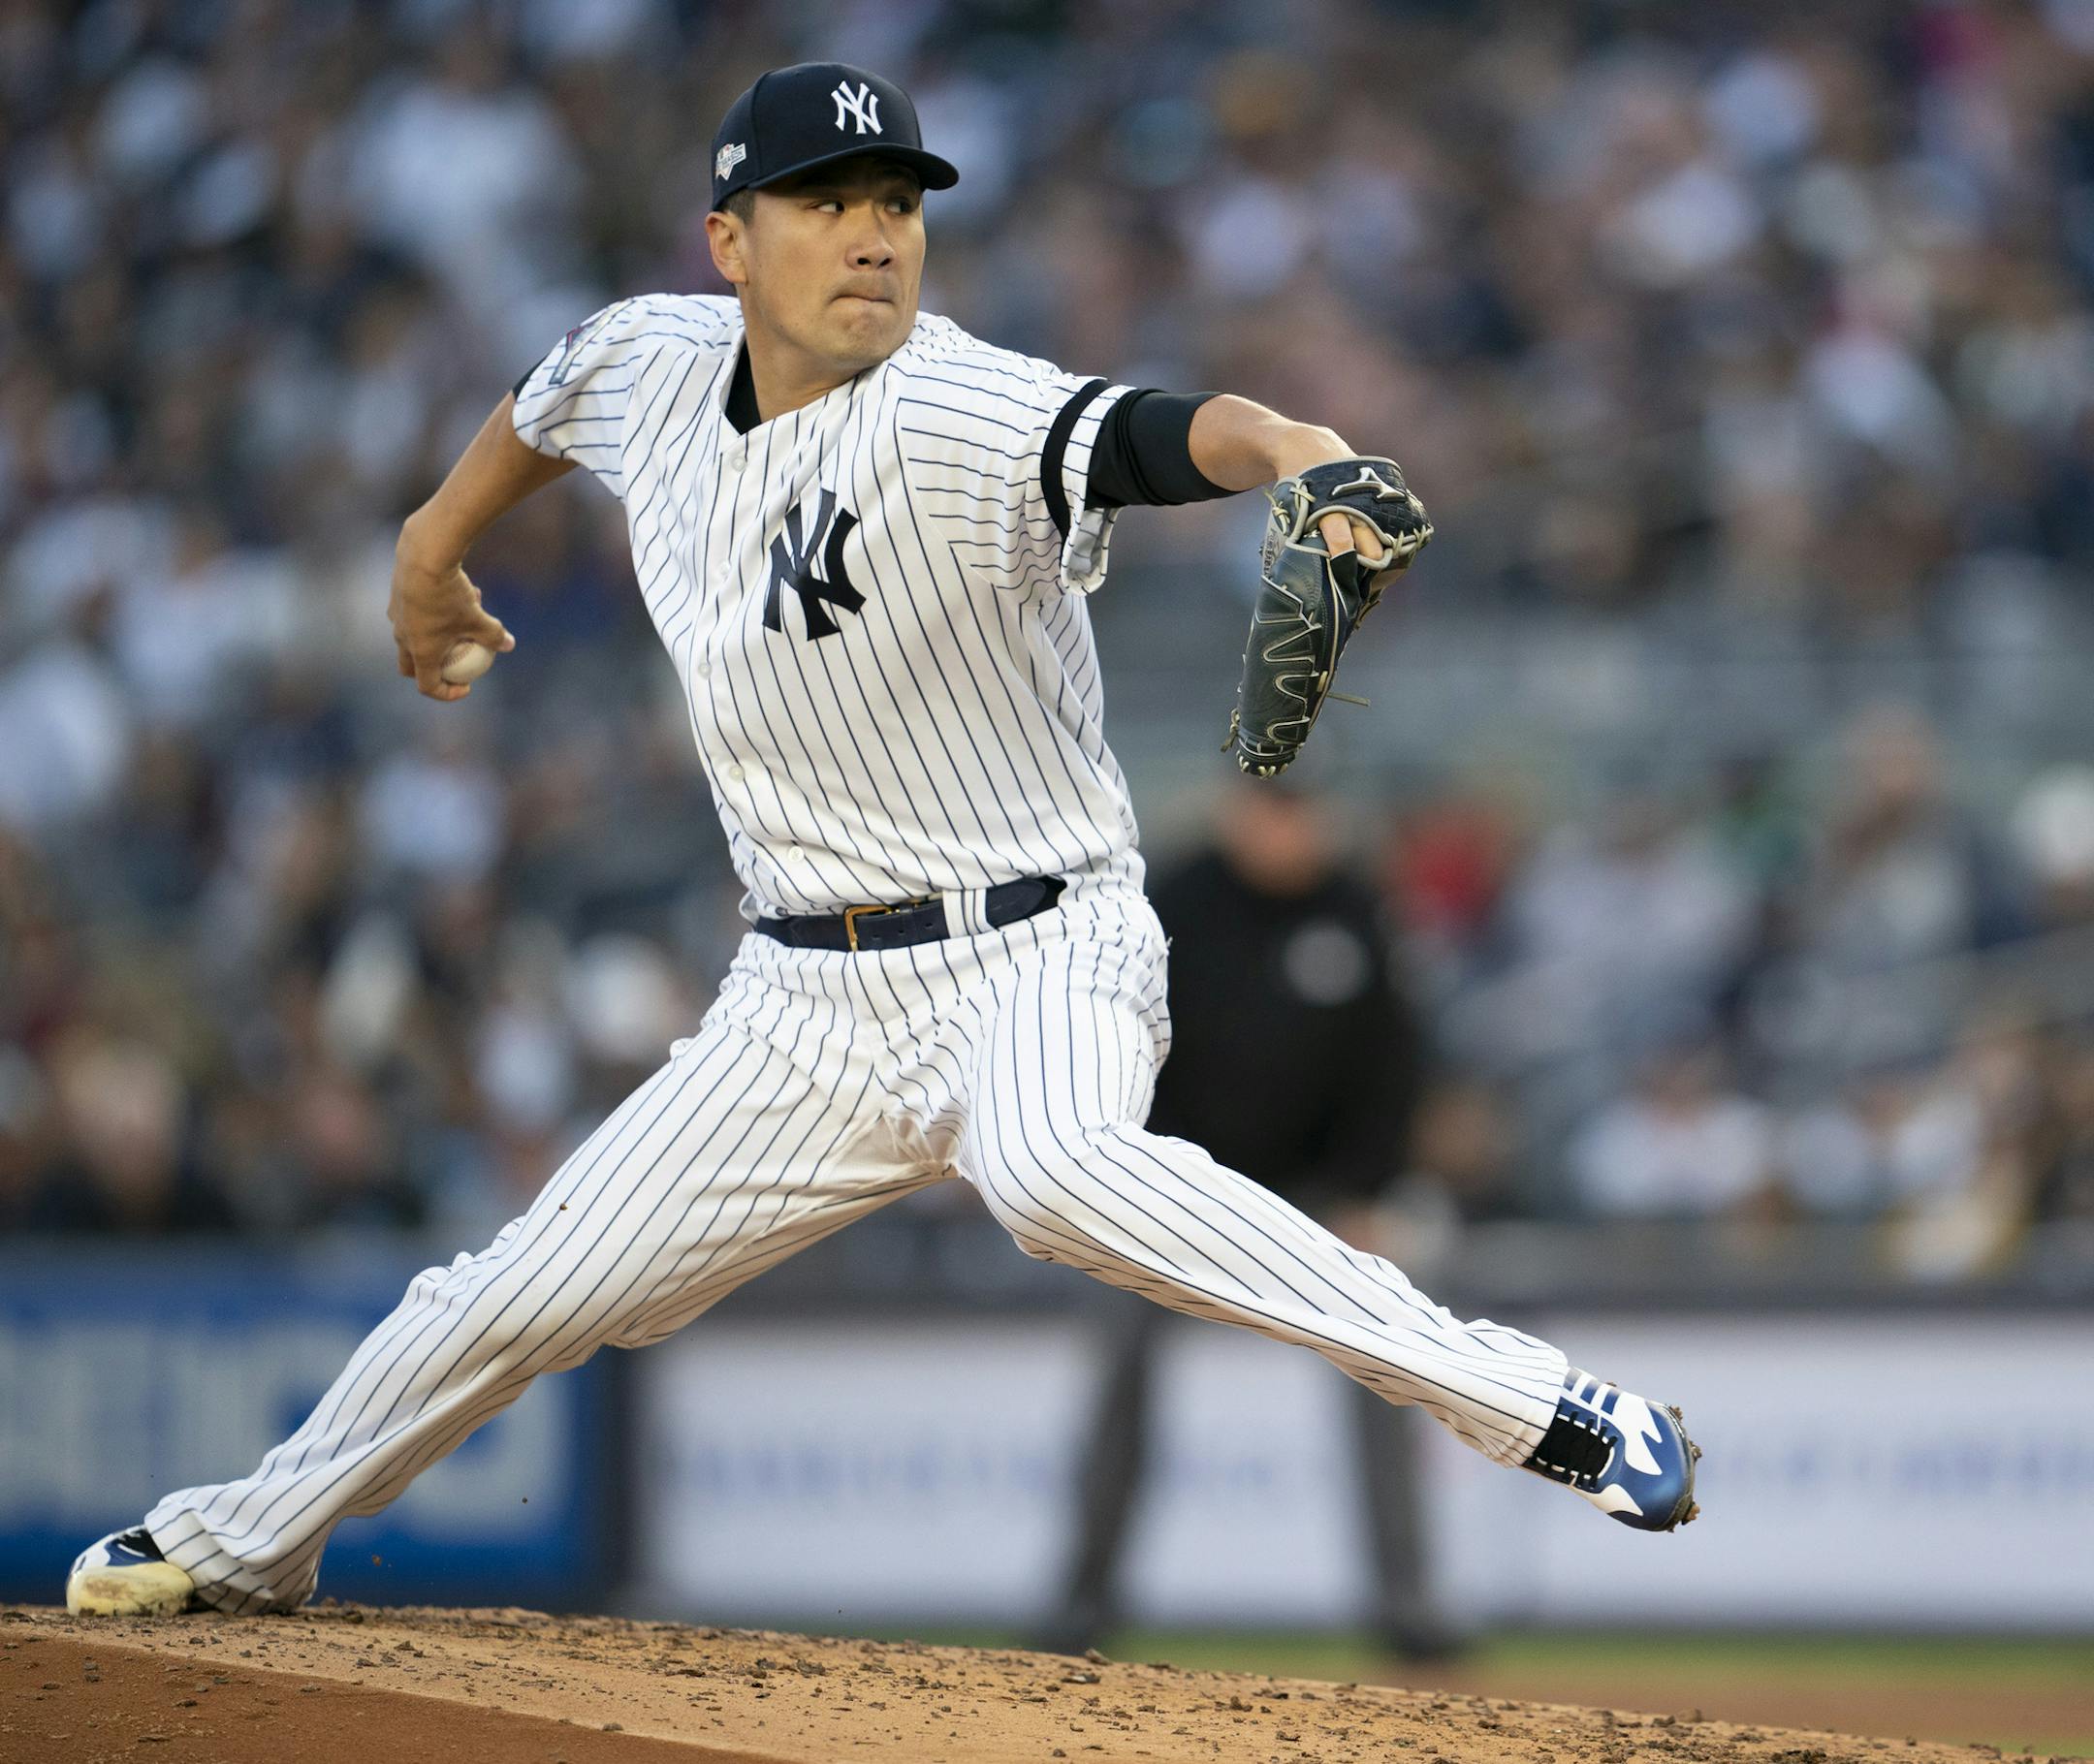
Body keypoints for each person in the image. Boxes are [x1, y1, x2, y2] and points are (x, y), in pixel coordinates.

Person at [67, 62, 1697, 1622]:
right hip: (800, 1002)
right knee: (520, 1290)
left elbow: (1148, 433)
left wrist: (1291, 454)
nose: (872, 236)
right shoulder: (651, 359)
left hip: (1038, 948)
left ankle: (1540, 1406)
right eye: (825, 201)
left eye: (898, 204)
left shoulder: (952, 406)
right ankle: (244, 1542)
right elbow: (549, 396)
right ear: (729, 243)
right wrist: (428, 551)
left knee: (1052, 1170)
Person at [1045, 780, 1450, 1655]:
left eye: (1306, 808)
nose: (1291, 827)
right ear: (1236, 810)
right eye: (1275, 808)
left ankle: (1408, 1606)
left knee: (1391, 1366)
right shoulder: (1176, 901)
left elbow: (1393, 1064)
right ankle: (1080, 1604)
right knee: (1120, 1375)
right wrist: (1123, 1170)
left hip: (1315, 1194)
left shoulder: (1355, 908)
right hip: (1171, 1186)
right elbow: (1112, 1033)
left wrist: (1368, 1189)